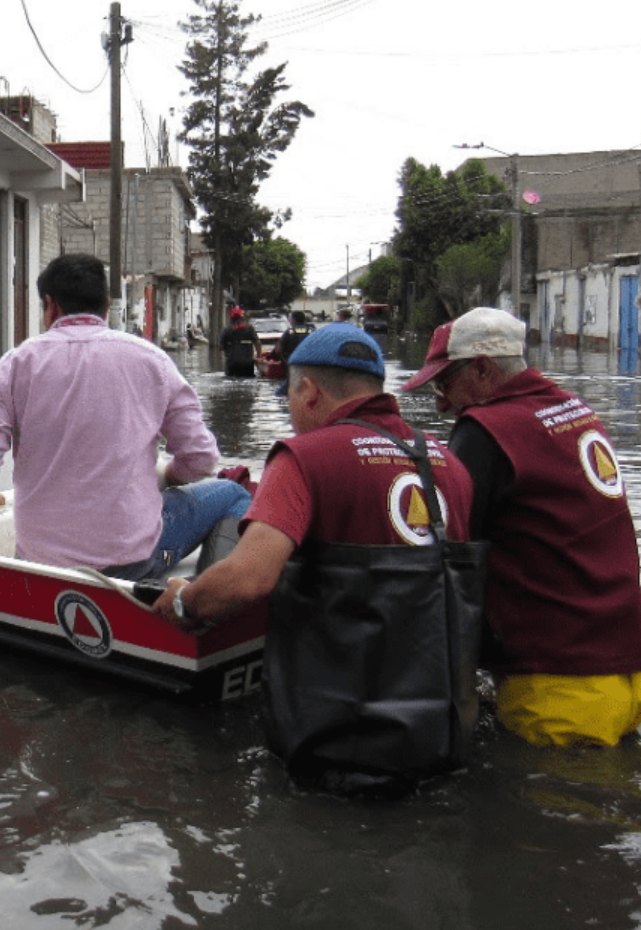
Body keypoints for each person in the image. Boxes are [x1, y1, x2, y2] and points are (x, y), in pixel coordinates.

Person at [152, 324, 478, 793]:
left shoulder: (304, 458)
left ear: (308, 391)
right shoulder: (447, 463)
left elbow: (249, 579)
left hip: (336, 747)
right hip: (439, 739)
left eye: (289, 396)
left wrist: (186, 601)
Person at [403, 307, 641, 748]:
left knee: (551, 807)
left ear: (481, 368)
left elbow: (453, 552)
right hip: (625, 664)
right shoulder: (577, 411)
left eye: (444, 381)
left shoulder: (487, 430)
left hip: (559, 684)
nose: (440, 401)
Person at [0, 253, 250, 580]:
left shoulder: (12, 366)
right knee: (234, 493)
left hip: (38, 562)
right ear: (106, 307)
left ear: (50, 305)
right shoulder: (153, 361)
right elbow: (201, 459)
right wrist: (169, 476)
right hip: (131, 564)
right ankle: (204, 600)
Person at [220, 307, 258, 377]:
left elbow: (221, 346)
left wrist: (227, 349)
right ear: (242, 317)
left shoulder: (227, 330)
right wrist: (259, 356)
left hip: (232, 363)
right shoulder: (249, 328)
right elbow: (257, 343)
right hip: (247, 363)